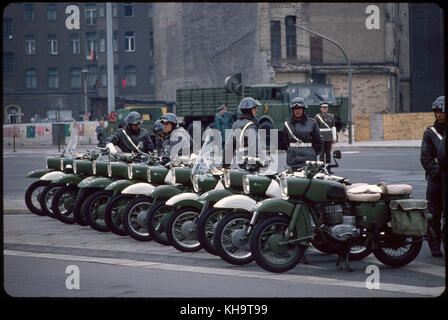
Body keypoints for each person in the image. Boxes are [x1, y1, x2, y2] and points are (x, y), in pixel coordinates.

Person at [420, 95, 445, 257]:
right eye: (436, 112)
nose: (438, 115)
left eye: (441, 112)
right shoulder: (430, 133)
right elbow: (425, 158)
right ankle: (434, 246)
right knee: (433, 215)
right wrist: (438, 173)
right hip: (436, 181)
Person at [282, 97, 323, 171]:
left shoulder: (312, 123)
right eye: (295, 109)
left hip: (309, 157)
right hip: (293, 158)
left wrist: (311, 152)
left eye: (299, 109)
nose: (297, 111)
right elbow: (285, 142)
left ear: (303, 109)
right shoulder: (287, 125)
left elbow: (318, 142)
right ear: (292, 110)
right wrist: (292, 150)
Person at [224, 97, 263, 169]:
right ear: (248, 110)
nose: (256, 110)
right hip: (252, 164)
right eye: (254, 108)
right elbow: (254, 145)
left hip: (241, 162)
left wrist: (225, 164)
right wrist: (259, 161)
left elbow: (229, 146)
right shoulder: (250, 125)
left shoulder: (235, 124)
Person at [314, 102, 337, 172]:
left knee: (328, 153)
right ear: (321, 108)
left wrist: (334, 138)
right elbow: (315, 128)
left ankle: (328, 168)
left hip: (329, 137)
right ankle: (321, 168)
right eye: (323, 108)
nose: (325, 109)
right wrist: (316, 138)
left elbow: (333, 127)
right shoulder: (317, 117)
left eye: (326, 108)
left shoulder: (331, 116)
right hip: (321, 137)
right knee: (321, 153)